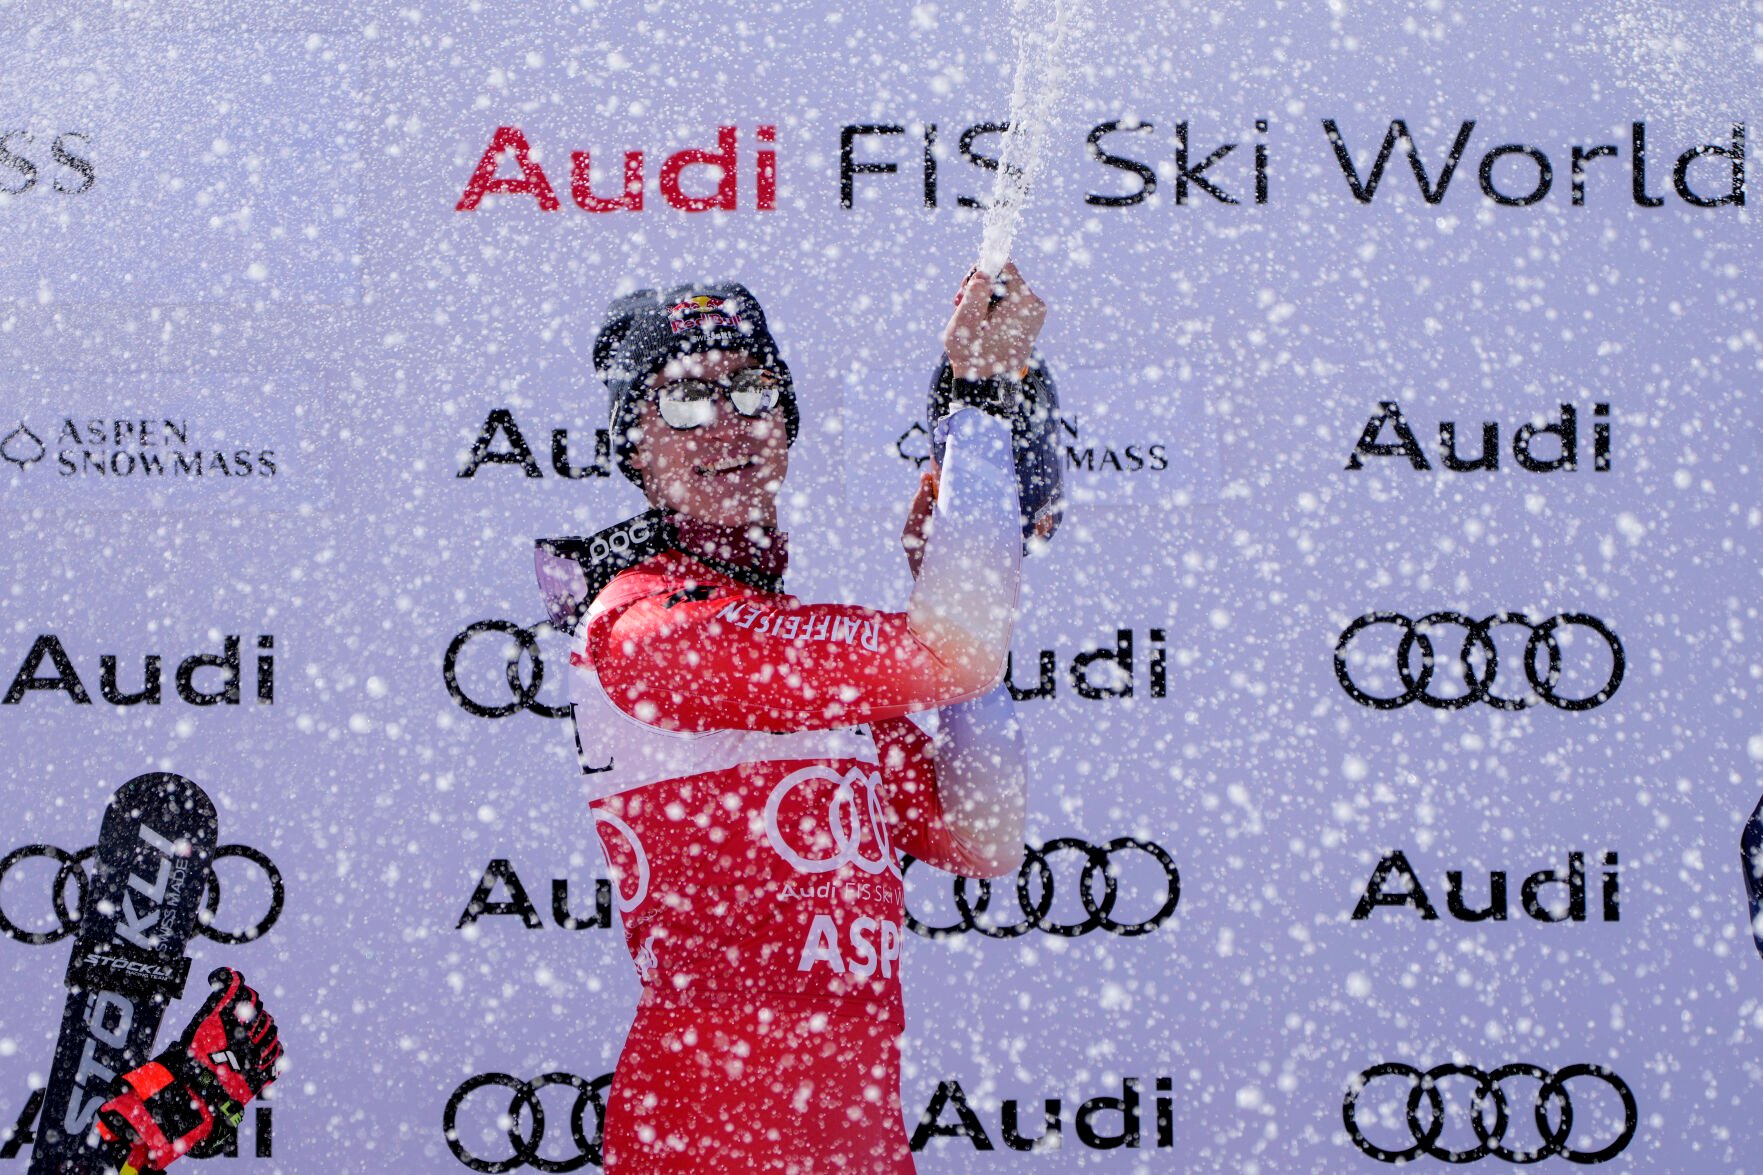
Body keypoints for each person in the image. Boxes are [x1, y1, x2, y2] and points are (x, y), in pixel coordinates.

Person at [533, 265, 1047, 1172]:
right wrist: (977, 409)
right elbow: (955, 648)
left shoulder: (782, 642)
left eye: (751, 387)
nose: (727, 420)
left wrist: (947, 563)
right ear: (636, 448)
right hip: (708, 1142)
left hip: (856, 1139)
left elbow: (983, 832)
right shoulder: (646, 624)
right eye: (686, 399)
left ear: (787, 421)